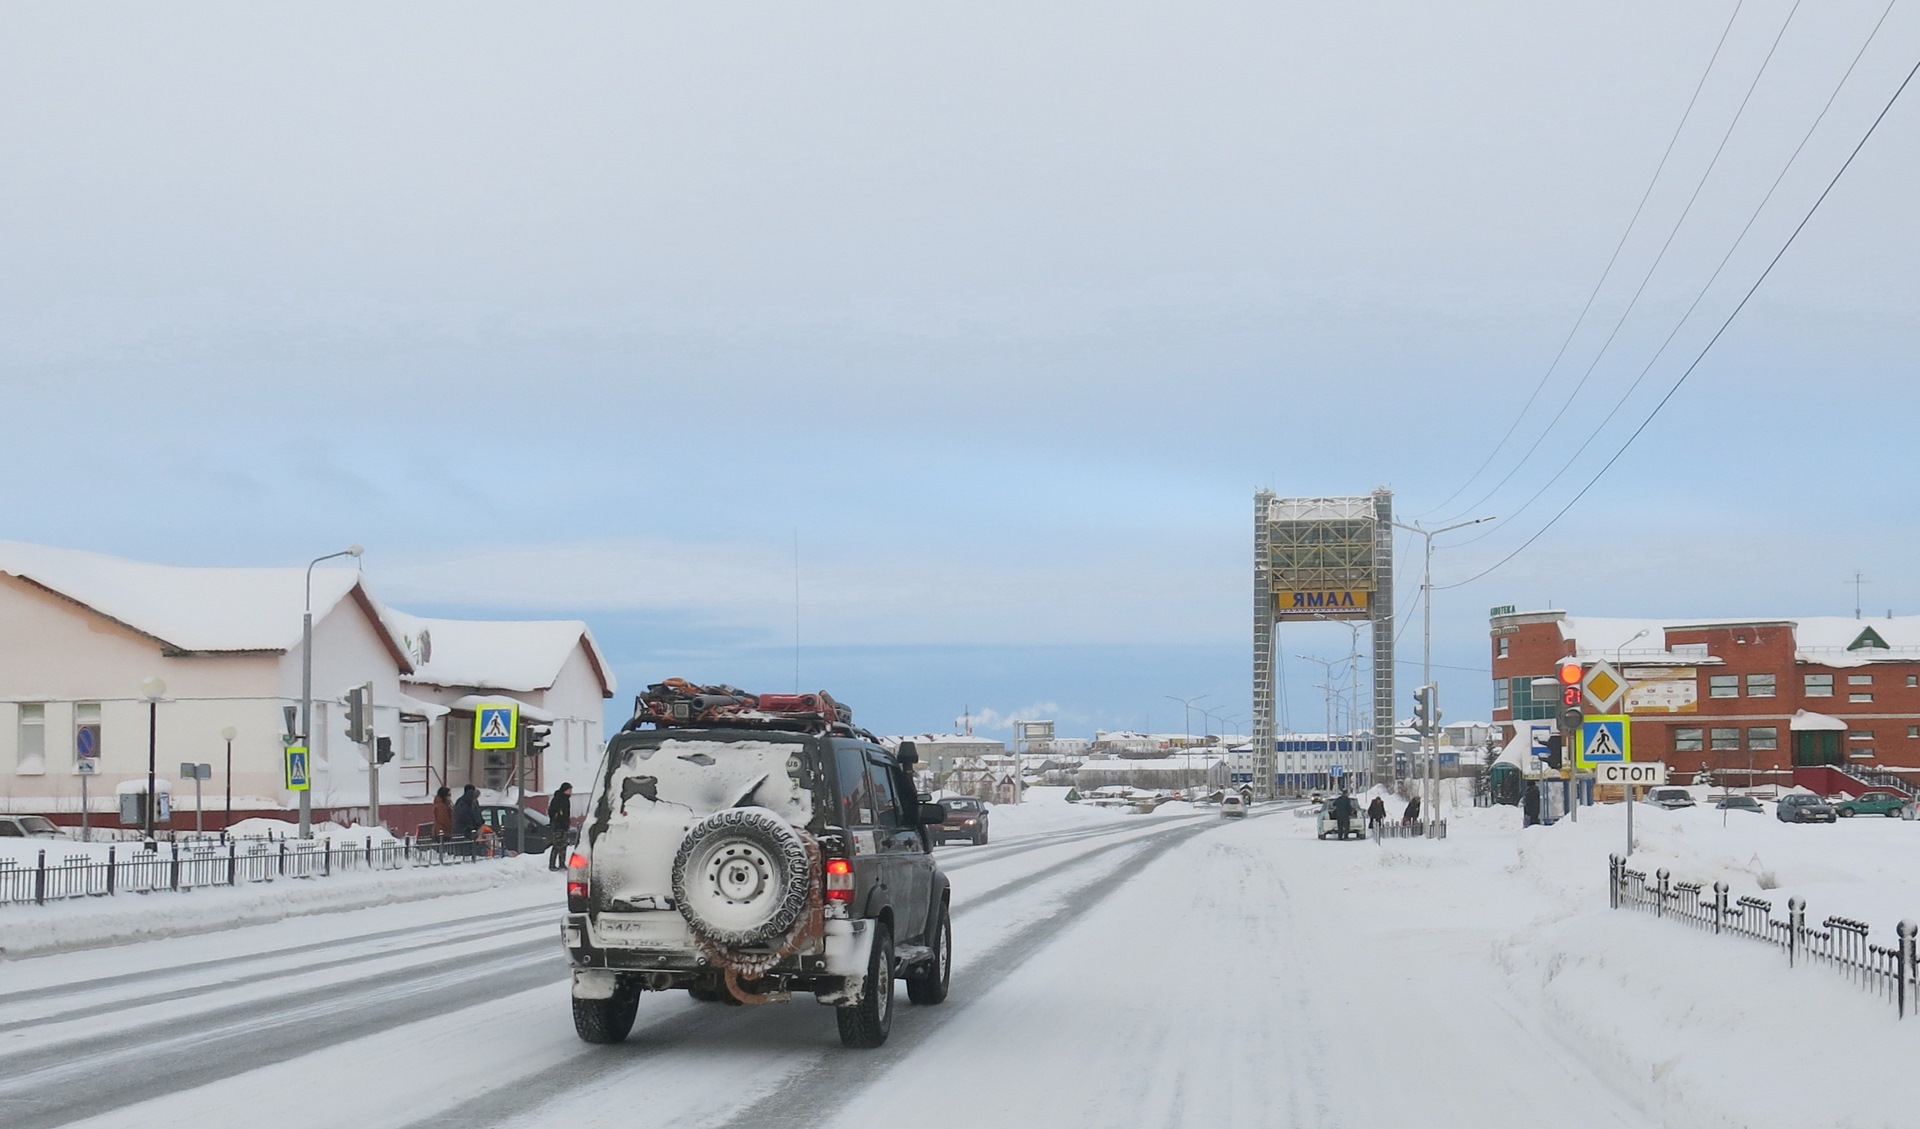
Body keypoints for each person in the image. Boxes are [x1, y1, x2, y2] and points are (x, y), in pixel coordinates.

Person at [547, 782, 574, 871]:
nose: (570, 792)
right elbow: (552, 812)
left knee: (564, 845)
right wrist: (558, 818)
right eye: (569, 790)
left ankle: (562, 863)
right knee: (557, 844)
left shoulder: (566, 800)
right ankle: (552, 865)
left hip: (564, 825)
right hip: (558, 825)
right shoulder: (558, 799)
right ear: (564, 790)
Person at [453, 784, 482, 855]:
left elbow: (477, 813)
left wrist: (479, 821)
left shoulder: (472, 801)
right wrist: (473, 823)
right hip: (465, 829)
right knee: (465, 847)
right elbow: (464, 815)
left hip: (471, 828)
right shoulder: (463, 803)